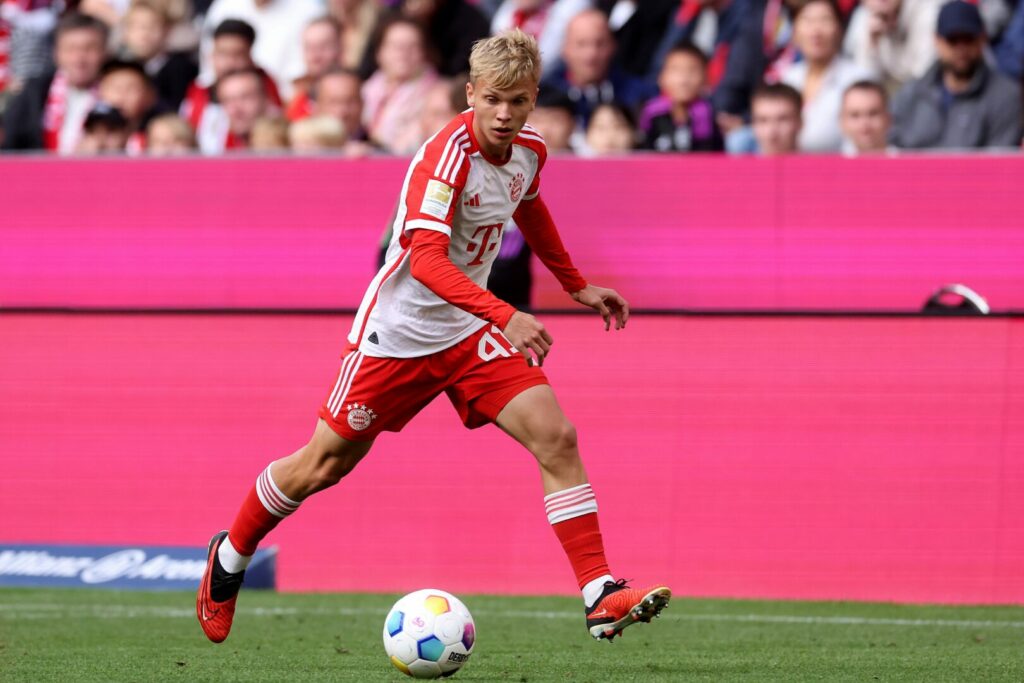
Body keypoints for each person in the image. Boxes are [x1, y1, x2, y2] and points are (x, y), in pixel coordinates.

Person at [196, 29, 670, 646]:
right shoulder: (445, 157)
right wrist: (506, 313)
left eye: (520, 101)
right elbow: (425, 259)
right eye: (494, 99)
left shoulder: (530, 150)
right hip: (398, 335)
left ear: (532, 101)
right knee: (322, 465)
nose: (505, 114)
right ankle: (229, 558)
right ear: (471, 93)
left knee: (556, 435)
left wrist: (574, 283)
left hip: (467, 330)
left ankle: (600, 594)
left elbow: (528, 204)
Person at [890, 0, 1022, 149]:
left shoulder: (1005, 96)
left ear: (982, 38)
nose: (961, 49)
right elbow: (893, 149)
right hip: (915, 173)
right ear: (937, 41)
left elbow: (1000, 163)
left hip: (976, 173)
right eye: (952, 40)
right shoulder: (911, 94)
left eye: (968, 39)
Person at [2, 12, 107, 152]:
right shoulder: (34, 91)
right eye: (70, 49)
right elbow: (9, 140)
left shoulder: (116, 93)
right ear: (56, 53)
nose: (79, 59)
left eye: (89, 49)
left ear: (105, 52)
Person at [780, 0, 875, 152]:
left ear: (840, 29)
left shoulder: (858, 79)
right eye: (807, 21)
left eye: (825, 20)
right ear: (794, 31)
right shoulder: (787, 78)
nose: (816, 31)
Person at [541, 9, 650, 131]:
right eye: (581, 44)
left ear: (614, 46)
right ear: (565, 49)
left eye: (600, 43)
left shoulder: (639, 95)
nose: (591, 54)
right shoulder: (541, 98)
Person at [200, 0, 323, 100]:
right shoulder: (223, 6)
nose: (231, 60)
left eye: (238, 54)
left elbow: (301, 83)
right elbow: (207, 73)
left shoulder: (308, 9)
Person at [360, 16, 439, 154]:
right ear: (379, 52)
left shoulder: (436, 96)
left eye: (412, 46)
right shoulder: (365, 90)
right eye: (396, 46)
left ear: (423, 52)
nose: (404, 53)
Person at [843, 0, 943, 94]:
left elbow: (924, 78)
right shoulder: (865, 17)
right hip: (899, 96)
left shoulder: (927, 10)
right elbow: (864, 89)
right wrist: (873, 45)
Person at [640, 41, 724, 153]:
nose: (684, 79)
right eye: (676, 70)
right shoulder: (651, 113)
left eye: (692, 71)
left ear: (706, 78)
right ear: (661, 77)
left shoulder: (710, 114)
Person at [118, 0, 197, 111]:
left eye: (152, 27)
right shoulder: (119, 67)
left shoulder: (180, 69)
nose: (144, 34)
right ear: (125, 32)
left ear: (167, 30)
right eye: (137, 27)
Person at [285, 16, 343, 121]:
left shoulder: (356, 92)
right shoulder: (296, 98)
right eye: (309, 48)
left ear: (340, 47)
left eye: (324, 46)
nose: (316, 56)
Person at [212, 66, 272, 151]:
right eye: (227, 100)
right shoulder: (215, 148)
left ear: (266, 100)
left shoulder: (291, 149)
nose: (236, 109)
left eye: (245, 98)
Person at [839, 79, 894, 155]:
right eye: (855, 115)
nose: (864, 123)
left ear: (888, 118)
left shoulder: (907, 164)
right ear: (842, 121)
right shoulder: (828, 165)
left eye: (873, 113)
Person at [750, 82, 802, 155]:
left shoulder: (820, 165)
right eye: (763, 121)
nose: (772, 132)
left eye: (782, 120)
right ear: (753, 124)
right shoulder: (737, 165)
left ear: (800, 122)